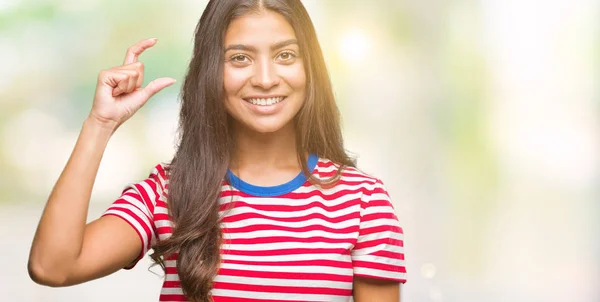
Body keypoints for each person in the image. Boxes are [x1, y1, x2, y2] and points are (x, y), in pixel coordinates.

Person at [27, 0, 407, 301]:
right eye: (239, 58)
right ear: (212, 71)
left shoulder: (363, 202)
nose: (264, 78)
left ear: (311, 69)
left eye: (285, 56)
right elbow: (52, 266)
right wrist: (100, 124)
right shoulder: (169, 192)